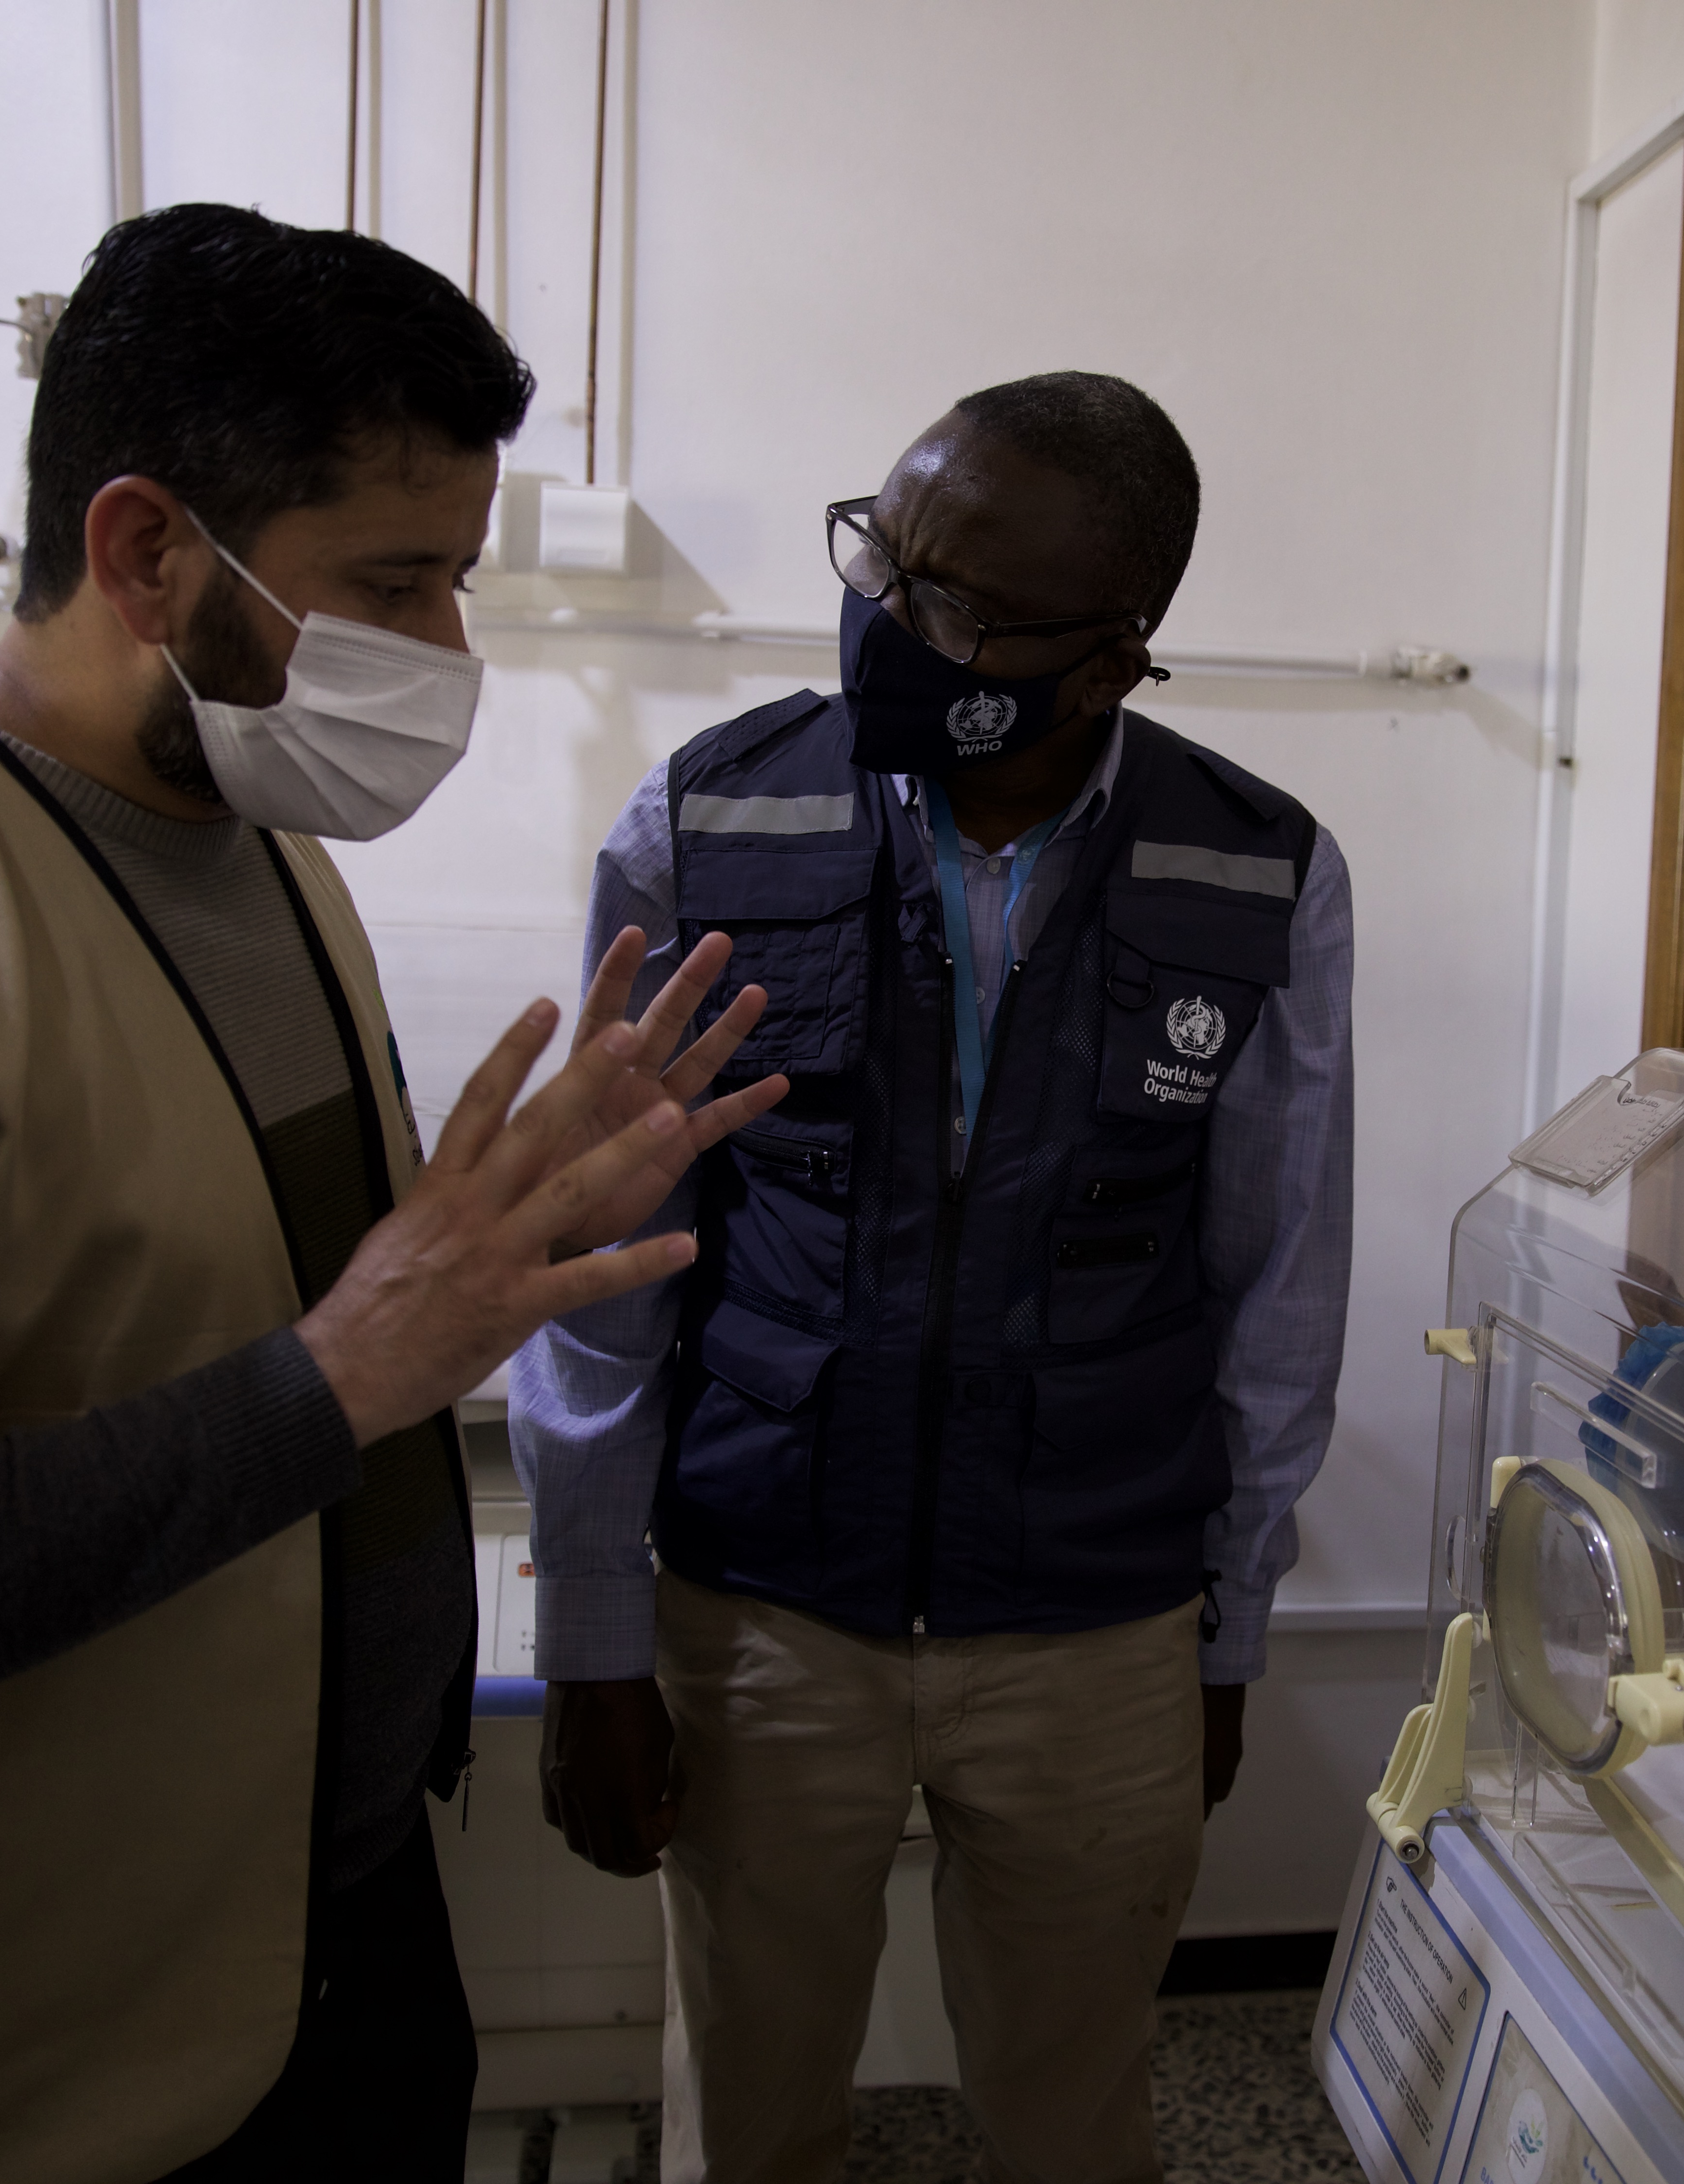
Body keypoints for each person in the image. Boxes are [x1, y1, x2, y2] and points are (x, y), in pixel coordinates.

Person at [0, 204, 781, 2183]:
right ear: (143, 550)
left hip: (328, 1945)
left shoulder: (265, 849)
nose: (447, 652)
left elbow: (262, 1296)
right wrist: (344, 1377)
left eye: (455, 580)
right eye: (393, 582)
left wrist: (482, 1255)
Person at [515, 371, 1355, 2183]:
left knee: (1072, 2111)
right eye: (882, 556)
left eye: (957, 607)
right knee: (747, 2109)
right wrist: (589, 1635)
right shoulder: (704, 828)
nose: (888, 621)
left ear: (1114, 652)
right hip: (763, 1616)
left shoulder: (1255, 869)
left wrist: (1221, 1629)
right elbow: (606, 1263)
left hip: (1092, 1628)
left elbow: (1275, 1283)